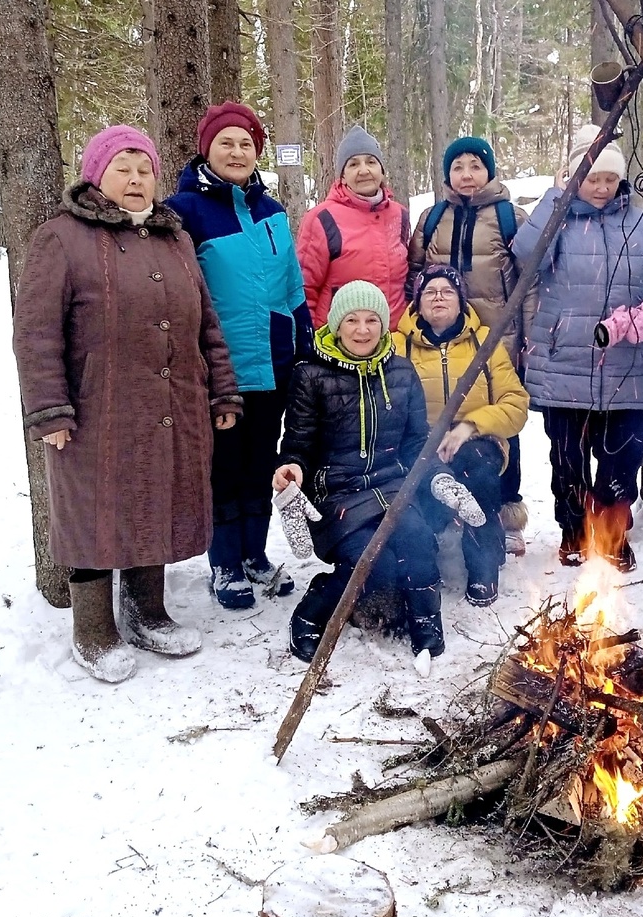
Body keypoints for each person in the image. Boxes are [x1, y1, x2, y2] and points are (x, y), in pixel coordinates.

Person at [12, 125, 243, 683]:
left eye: (144, 170)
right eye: (123, 169)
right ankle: (93, 631)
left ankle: (146, 613)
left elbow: (207, 323)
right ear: (96, 174)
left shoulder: (175, 238)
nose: (136, 180)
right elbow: (36, 333)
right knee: (95, 511)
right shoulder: (61, 238)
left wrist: (222, 387)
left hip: (173, 400)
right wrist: (49, 408)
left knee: (157, 499)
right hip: (96, 409)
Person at [275, 282, 483, 667]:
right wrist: (291, 470)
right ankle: (311, 612)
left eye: (372, 320)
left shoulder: (402, 371)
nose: (362, 329)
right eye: (352, 320)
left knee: (420, 542)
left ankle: (424, 616)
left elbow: (417, 442)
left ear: (384, 325)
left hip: (392, 488)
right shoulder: (310, 375)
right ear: (337, 325)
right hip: (338, 494)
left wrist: (438, 478)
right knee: (370, 561)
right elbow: (298, 445)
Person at [165, 101, 314, 611]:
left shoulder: (272, 212)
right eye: (225, 142)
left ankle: (255, 555)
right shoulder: (184, 212)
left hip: (271, 361)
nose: (236, 151)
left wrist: (304, 343)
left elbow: (292, 284)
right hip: (219, 367)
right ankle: (224, 562)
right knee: (222, 467)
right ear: (206, 148)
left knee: (260, 463)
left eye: (246, 144)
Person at [514, 124, 643, 572]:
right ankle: (572, 530)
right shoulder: (556, 217)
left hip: (625, 365)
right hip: (562, 363)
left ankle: (610, 532)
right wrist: (555, 197)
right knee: (566, 461)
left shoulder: (640, 224)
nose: (602, 187)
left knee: (623, 456)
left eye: (609, 178)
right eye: (592, 178)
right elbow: (524, 258)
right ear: (574, 176)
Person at [409, 136, 536, 557]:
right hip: (443, 333)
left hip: (499, 337)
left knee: (499, 420)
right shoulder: (432, 218)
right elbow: (415, 274)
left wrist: (528, 335)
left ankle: (504, 511)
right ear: (447, 174)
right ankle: (445, 513)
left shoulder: (509, 216)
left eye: (475, 166)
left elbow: (528, 279)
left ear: (489, 172)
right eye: (458, 166)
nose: (466, 174)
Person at [394, 265, 529, 606]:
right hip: (418, 444)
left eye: (447, 291)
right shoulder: (397, 345)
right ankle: (423, 560)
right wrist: (422, 436)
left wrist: (470, 426)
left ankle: (483, 563)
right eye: (430, 292)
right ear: (418, 303)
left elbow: (515, 404)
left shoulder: (485, 341)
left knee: (478, 468)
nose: (439, 297)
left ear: (461, 301)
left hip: (477, 441)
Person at [298, 125, 411, 330]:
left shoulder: (399, 215)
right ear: (342, 176)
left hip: (393, 337)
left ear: (382, 170)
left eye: (371, 162)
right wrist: (312, 341)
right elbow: (305, 289)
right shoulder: (322, 218)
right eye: (353, 164)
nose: (364, 170)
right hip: (340, 341)